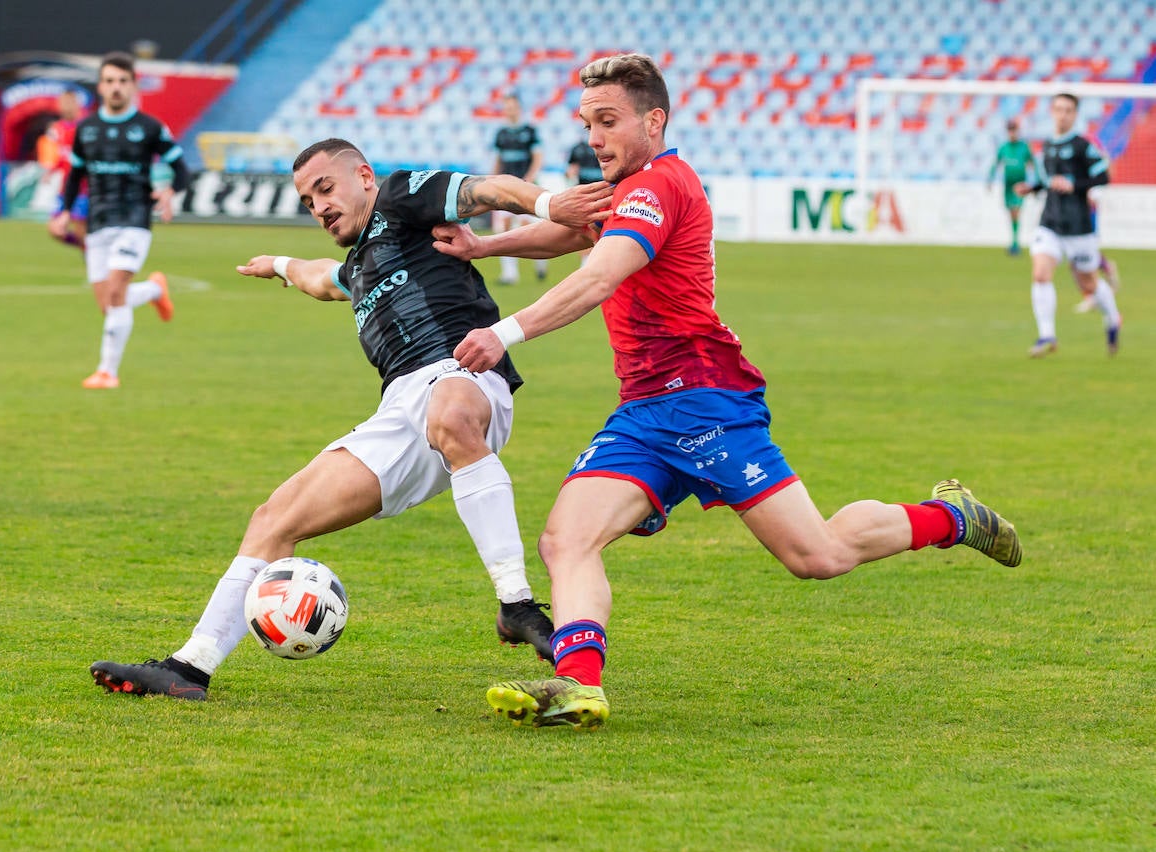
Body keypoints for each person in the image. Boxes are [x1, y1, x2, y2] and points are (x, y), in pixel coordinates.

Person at [439, 53, 1023, 730]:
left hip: (707, 397)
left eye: (607, 121)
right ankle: (577, 686)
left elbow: (599, 274)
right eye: (586, 122)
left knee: (819, 555)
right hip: (645, 411)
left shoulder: (660, 187)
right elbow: (575, 230)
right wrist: (482, 249)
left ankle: (953, 517)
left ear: (653, 120)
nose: (593, 137)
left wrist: (503, 331)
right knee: (566, 539)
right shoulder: (626, 186)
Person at [88, 138, 613, 700]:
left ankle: (515, 603)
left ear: (363, 176)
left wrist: (549, 203)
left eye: (324, 188)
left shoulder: (400, 198)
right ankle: (189, 667)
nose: (318, 206)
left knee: (450, 411)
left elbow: (488, 190)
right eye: (307, 201)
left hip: (466, 373)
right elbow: (321, 278)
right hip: (399, 413)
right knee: (273, 518)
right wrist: (280, 266)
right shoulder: (357, 265)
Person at [49, 52, 191, 390]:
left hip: (134, 219)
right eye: (110, 81)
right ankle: (156, 289)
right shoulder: (86, 129)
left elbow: (181, 168)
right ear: (100, 86)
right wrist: (64, 212)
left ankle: (107, 372)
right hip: (98, 222)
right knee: (109, 303)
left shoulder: (149, 128)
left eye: (123, 81)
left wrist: (171, 191)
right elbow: (75, 175)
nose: (116, 88)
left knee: (115, 292)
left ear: (132, 86)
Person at [1012, 92, 1120, 358]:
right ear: (1052, 111)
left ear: (1075, 114)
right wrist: (1032, 188)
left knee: (1089, 284)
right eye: (1058, 109)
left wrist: (1075, 185)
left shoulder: (1084, 146)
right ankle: (1047, 335)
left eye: (1068, 110)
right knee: (1040, 274)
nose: (1062, 114)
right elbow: (1047, 181)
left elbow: (1104, 176)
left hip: (1079, 228)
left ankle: (1113, 318)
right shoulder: (1046, 146)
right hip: (1050, 223)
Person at [491, 93, 549, 284]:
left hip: (526, 187)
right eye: (506, 106)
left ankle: (541, 262)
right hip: (506, 187)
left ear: (519, 108)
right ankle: (510, 274)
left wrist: (528, 180)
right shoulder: (501, 133)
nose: (510, 110)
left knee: (529, 229)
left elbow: (538, 158)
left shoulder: (530, 131)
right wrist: (491, 180)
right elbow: (498, 160)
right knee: (505, 229)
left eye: (512, 106)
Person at [38, 89, 89, 251]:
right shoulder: (58, 128)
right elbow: (61, 157)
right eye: (63, 103)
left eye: (69, 103)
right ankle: (89, 248)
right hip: (65, 188)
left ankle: (93, 260)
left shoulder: (85, 127)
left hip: (84, 188)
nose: (65, 107)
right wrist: (49, 171)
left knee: (81, 229)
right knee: (55, 229)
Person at [985, 118, 1035, 256]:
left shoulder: (1023, 147)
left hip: (1020, 185)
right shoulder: (1004, 147)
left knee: (1016, 211)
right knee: (1011, 214)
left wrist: (1036, 182)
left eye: (1014, 130)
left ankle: (1015, 243)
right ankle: (1013, 241)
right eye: (1010, 130)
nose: (1012, 133)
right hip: (1008, 185)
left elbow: (1032, 163)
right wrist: (990, 179)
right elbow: (996, 164)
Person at [566, 138, 604, 265]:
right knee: (586, 232)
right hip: (585, 198)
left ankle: (590, 265)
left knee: (598, 233)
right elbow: (571, 169)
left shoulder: (608, 145)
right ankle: (586, 265)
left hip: (604, 197)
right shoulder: (578, 148)